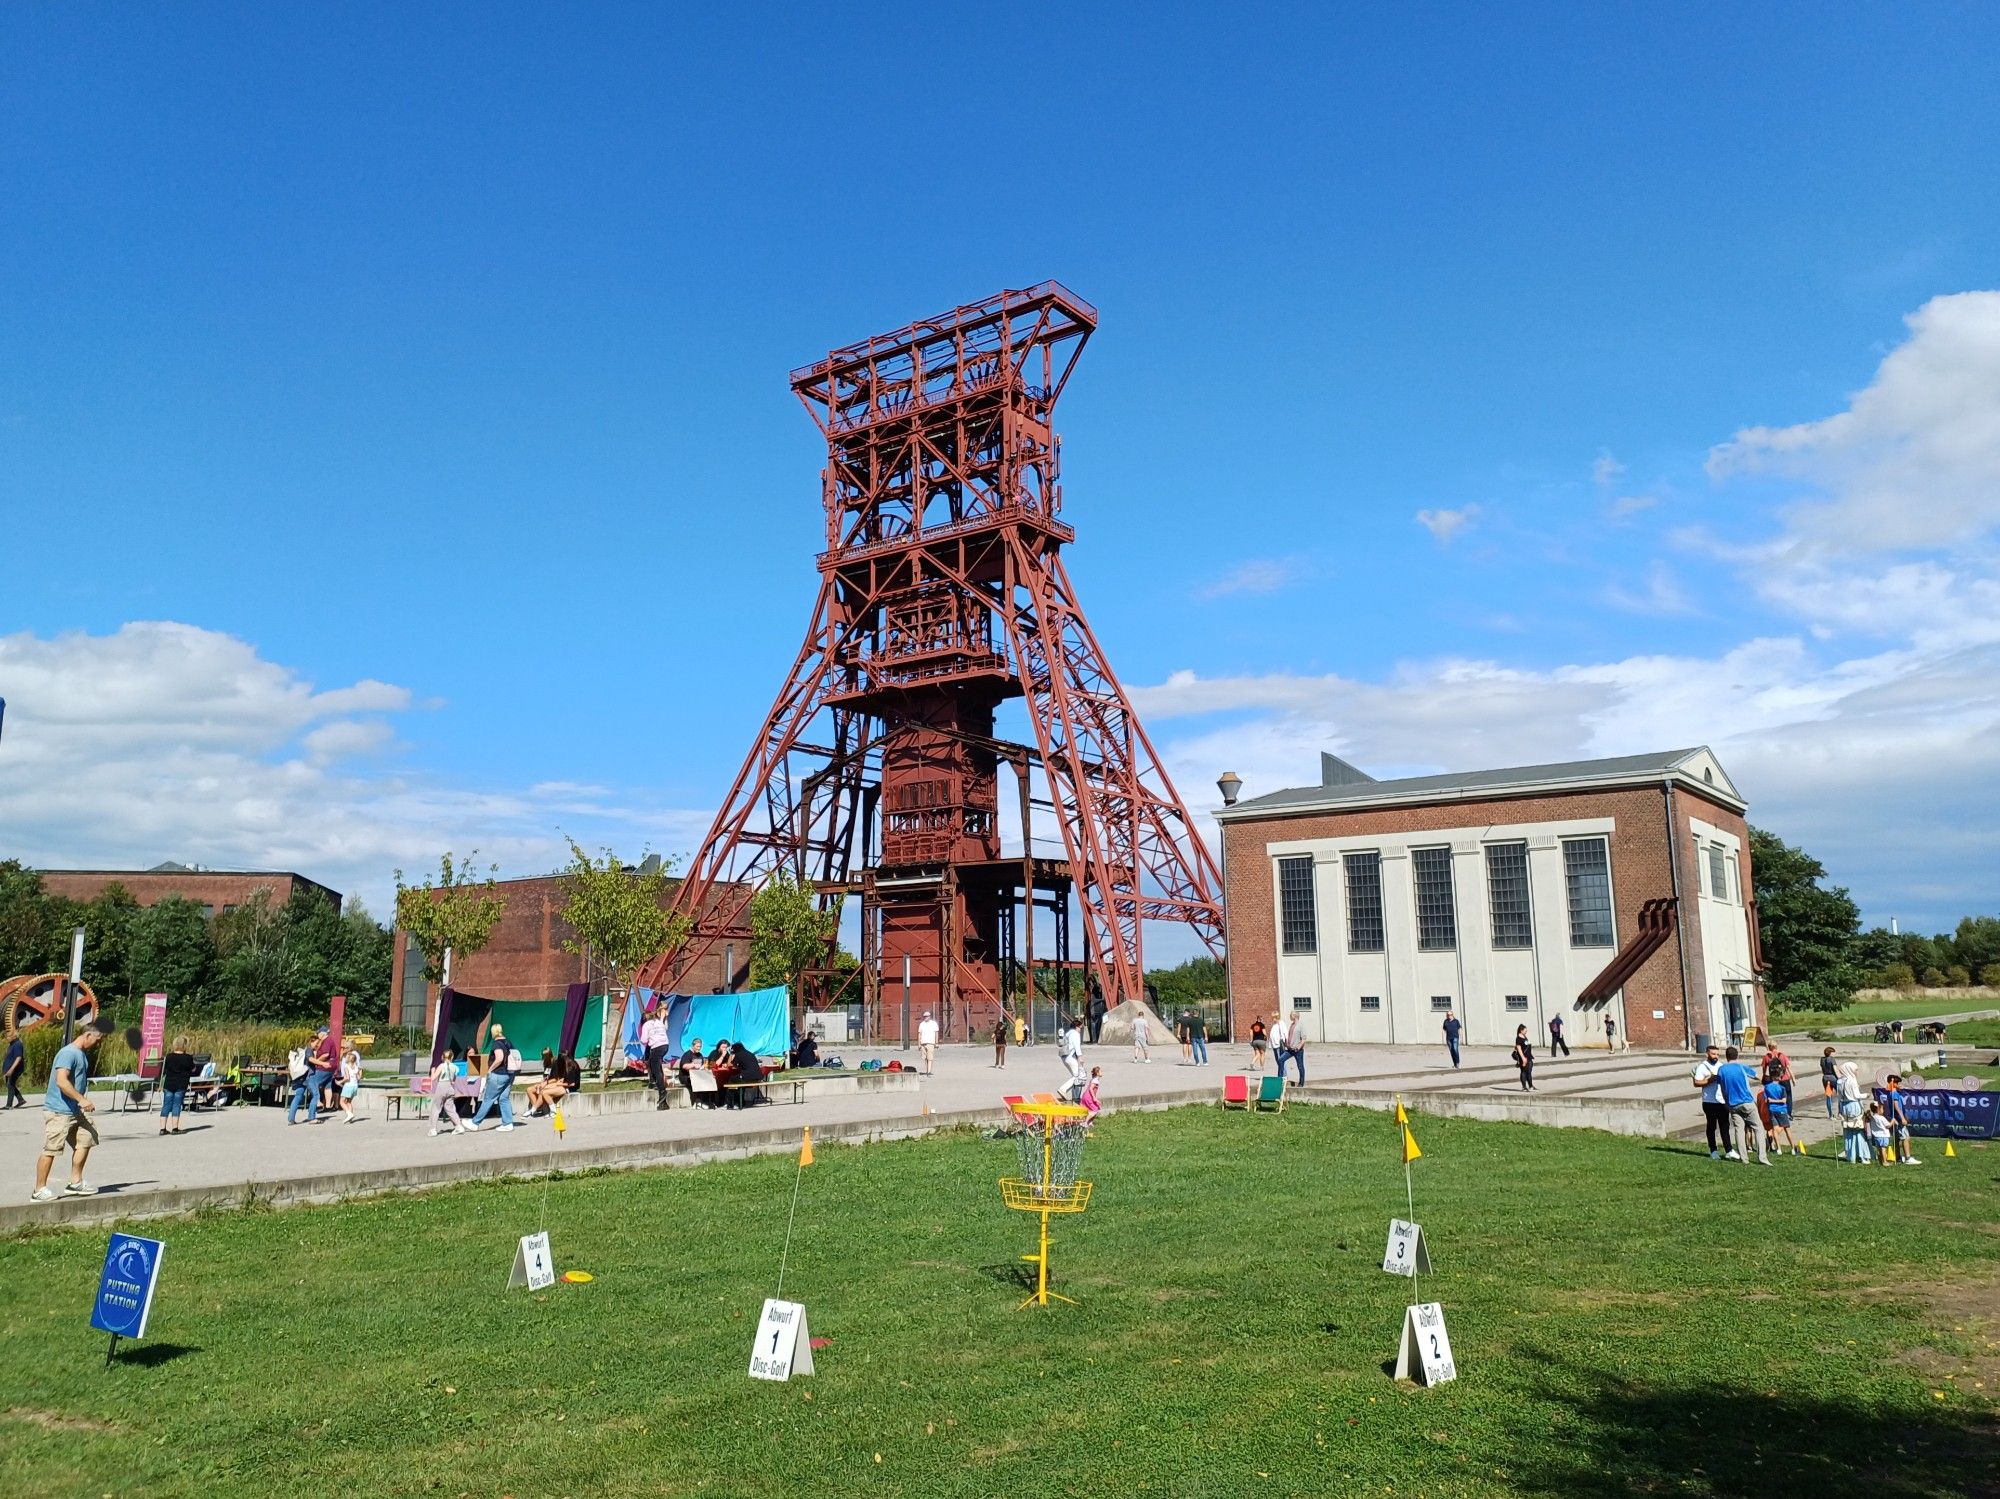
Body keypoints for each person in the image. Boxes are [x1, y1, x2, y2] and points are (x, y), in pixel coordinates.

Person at [31, 1021, 106, 1200]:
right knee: (52, 1148)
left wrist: (80, 1103)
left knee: (88, 1137)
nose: (98, 1044)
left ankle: (75, 1182)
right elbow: (61, 1081)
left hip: (75, 1110)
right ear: (88, 1035)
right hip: (59, 1111)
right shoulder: (68, 1053)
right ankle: (39, 1190)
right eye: (97, 1040)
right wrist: (82, 1099)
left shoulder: (81, 1054)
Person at [1715, 1045, 1768, 1165]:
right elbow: (1758, 1076)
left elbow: (1722, 1087)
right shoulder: (1741, 1067)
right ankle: (1762, 1158)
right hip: (1746, 1101)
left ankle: (1744, 1159)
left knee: (1739, 1130)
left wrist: (1726, 1101)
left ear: (1726, 1056)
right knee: (1758, 1128)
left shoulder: (1721, 1070)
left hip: (1732, 1104)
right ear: (1736, 1056)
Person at [468, 1026, 519, 1131]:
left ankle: (475, 1122)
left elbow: (499, 1058)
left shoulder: (497, 1044)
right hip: (510, 1074)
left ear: (493, 1032)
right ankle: (508, 1123)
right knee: (504, 1098)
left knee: (488, 1099)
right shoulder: (508, 1043)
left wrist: (490, 1069)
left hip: (498, 1074)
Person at [287, 1026, 336, 1125]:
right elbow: (310, 1059)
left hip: (299, 1077)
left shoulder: (303, 1050)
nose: (318, 1045)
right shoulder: (308, 1050)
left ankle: (291, 1118)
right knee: (316, 1095)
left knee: (298, 1096)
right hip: (307, 1077)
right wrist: (322, 1063)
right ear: (311, 1042)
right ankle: (311, 1118)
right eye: (317, 1043)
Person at [1692, 1044, 1730, 1159]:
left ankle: (1729, 1150)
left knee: (1725, 1126)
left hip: (1721, 1100)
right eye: (1713, 1054)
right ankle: (1713, 1150)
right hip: (1709, 1101)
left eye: (1717, 1054)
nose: (1716, 1056)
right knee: (1711, 1126)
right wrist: (1709, 1080)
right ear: (1707, 1054)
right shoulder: (1702, 1067)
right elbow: (1696, 1083)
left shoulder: (1721, 1066)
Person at [428, 1047, 471, 1136]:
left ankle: (433, 1129)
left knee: (436, 1108)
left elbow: (433, 1078)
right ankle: (458, 1126)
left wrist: (433, 1071)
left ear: (442, 1057)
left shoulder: (441, 1066)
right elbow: (454, 1079)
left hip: (441, 1086)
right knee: (450, 1108)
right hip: (450, 1087)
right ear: (452, 1057)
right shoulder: (455, 1067)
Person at [159, 1034, 196, 1136]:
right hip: (181, 1084)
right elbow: (193, 1069)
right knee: (176, 1105)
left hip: (169, 1084)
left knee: (166, 1105)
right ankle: (175, 1128)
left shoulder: (168, 1057)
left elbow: (164, 1070)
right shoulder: (188, 1057)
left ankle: (162, 1128)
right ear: (184, 1045)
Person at [1881, 1074, 1921, 1165]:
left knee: (1896, 1139)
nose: (1899, 1085)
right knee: (1906, 1137)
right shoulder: (1894, 1093)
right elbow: (1896, 1106)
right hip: (1898, 1119)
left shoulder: (1890, 1093)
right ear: (1893, 1083)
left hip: (1893, 1118)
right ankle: (1908, 1158)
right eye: (1898, 1083)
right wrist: (1902, 1117)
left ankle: (1898, 1157)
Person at [1835, 1060, 1868, 1163]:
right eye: (1855, 1070)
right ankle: (1862, 1155)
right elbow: (1857, 1096)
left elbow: (1839, 1096)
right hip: (1854, 1105)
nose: (1856, 1073)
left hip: (1844, 1106)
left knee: (1848, 1131)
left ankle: (1850, 1154)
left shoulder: (1839, 1081)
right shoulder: (1852, 1081)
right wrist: (1866, 1095)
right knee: (1858, 1130)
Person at [1762, 1076, 1801, 1157]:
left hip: (1772, 1110)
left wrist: (1771, 1101)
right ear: (1778, 1077)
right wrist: (1775, 1101)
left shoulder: (1766, 1087)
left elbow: (1766, 1100)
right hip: (1781, 1110)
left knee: (1775, 1129)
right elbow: (1784, 1100)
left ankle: (1779, 1149)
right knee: (1787, 1129)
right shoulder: (1782, 1088)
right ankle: (1793, 1148)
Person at [1761, 1041, 1794, 1114]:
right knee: (1788, 1096)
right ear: (1776, 1046)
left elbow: (1764, 1069)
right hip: (1785, 1079)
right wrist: (1793, 1079)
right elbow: (1788, 1068)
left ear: (1769, 1047)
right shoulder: (1782, 1055)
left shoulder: (1766, 1057)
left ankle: (1776, 1111)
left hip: (1773, 1080)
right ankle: (1788, 1113)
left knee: (1775, 1096)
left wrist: (1763, 1076)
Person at [336, 1043, 363, 1124]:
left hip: (348, 1086)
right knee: (349, 1102)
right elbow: (358, 1077)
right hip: (355, 1086)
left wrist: (340, 1082)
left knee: (342, 1101)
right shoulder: (356, 1067)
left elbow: (347, 1078)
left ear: (348, 1059)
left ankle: (349, 1113)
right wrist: (360, 1073)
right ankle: (350, 1118)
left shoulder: (346, 1067)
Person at [1280, 1011, 1307, 1085]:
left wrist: (1298, 1047)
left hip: (1297, 1050)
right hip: (1290, 1049)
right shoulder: (1292, 1025)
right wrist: (1286, 1044)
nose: (1290, 1017)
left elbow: (1304, 1039)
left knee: (1300, 1066)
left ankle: (1301, 1083)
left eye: (1290, 1015)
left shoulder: (1301, 1025)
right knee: (1281, 1059)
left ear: (1295, 1016)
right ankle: (1280, 1078)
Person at [1059, 1015, 1085, 1087]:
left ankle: (1073, 1094)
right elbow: (1077, 1046)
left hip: (1064, 1056)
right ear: (1077, 1027)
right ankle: (1063, 1089)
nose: (1081, 1030)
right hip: (1070, 1056)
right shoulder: (1075, 1034)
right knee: (1077, 1076)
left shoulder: (1067, 1034)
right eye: (1081, 1028)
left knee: (1074, 1075)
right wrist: (1080, 1057)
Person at [1511, 1025, 1536, 1092]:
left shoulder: (1524, 1036)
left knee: (1529, 1072)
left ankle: (1531, 1086)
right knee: (1524, 1072)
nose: (1526, 1031)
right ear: (1521, 1030)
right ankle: (1524, 1087)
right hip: (1524, 1057)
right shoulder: (1518, 1038)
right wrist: (1523, 1058)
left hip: (1528, 1056)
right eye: (1525, 1030)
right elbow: (1519, 1049)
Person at [3, 1032, 25, 1109]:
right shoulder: (11, 1044)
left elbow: (18, 1057)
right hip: (9, 1068)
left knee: (10, 1084)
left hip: (15, 1068)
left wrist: (11, 1069)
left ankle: (9, 1105)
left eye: (8, 1036)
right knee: (10, 1085)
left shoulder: (17, 1044)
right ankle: (20, 1099)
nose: (6, 1038)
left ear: (14, 1036)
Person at [1819, 1046, 1840, 1119]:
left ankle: (1831, 1114)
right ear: (1830, 1053)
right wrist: (1840, 1078)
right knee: (1840, 1095)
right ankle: (1840, 1113)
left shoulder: (1822, 1059)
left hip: (1825, 1078)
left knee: (1828, 1096)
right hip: (1833, 1078)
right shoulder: (1831, 1059)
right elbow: (1835, 1070)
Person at [917, 1010, 939, 1075]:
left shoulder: (933, 1023)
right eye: (924, 1016)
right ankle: (927, 1070)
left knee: (930, 1057)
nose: (925, 1017)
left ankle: (929, 1071)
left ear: (929, 1016)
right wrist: (919, 1044)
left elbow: (936, 1033)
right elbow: (919, 1034)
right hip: (923, 1043)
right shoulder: (922, 1024)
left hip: (931, 1042)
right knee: (925, 1058)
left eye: (927, 1016)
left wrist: (936, 1043)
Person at [1268, 1012, 1288, 1076]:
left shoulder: (1281, 1024)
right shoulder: (1275, 1024)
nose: (1272, 1019)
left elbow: (1285, 1034)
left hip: (1279, 1045)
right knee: (1279, 1061)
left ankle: (1283, 1075)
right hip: (1275, 1045)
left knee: (1280, 1060)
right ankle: (1282, 1074)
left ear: (1276, 1017)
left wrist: (1286, 1043)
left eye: (1273, 1018)